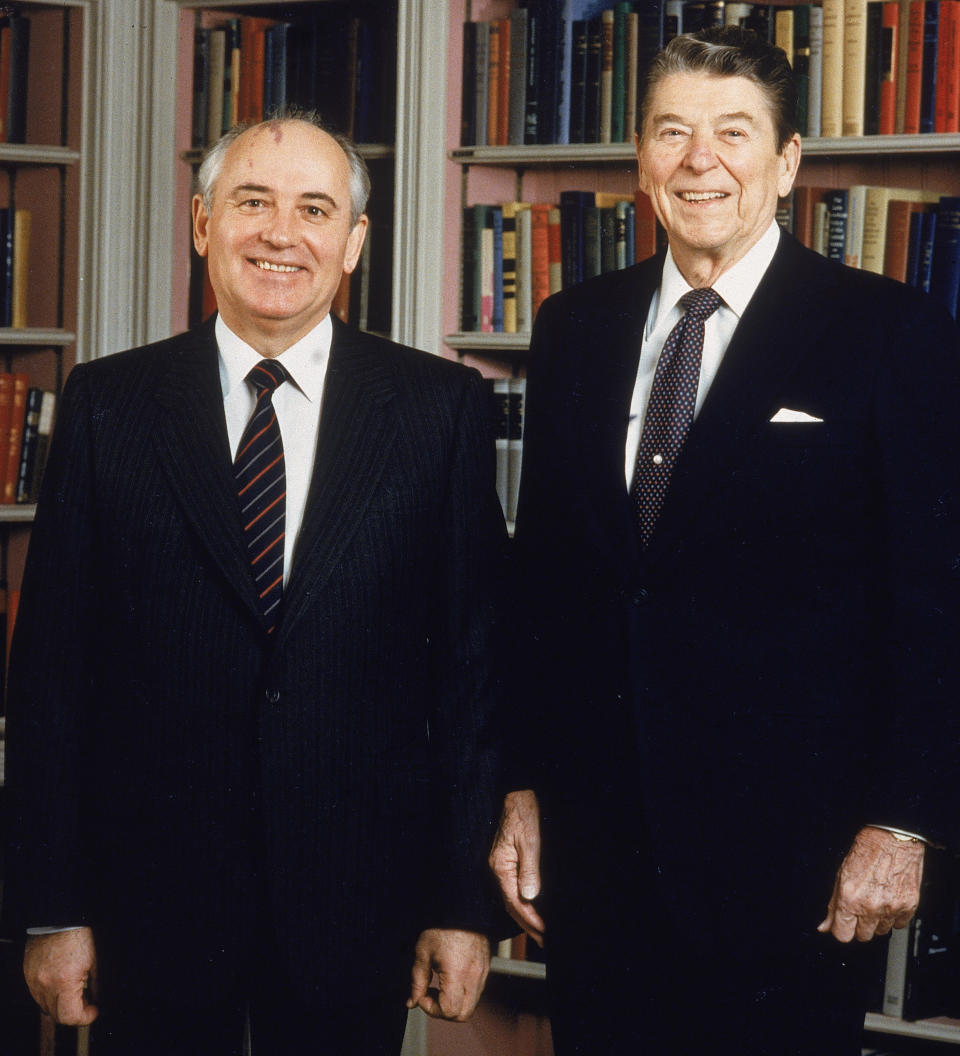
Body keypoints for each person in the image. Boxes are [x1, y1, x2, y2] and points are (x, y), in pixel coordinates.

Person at [489, 26, 960, 1056]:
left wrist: (904, 822)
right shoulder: (575, 328)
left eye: (734, 132)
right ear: (641, 161)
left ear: (787, 163)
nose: (701, 160)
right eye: (673, 132)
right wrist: (520, 786)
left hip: (791, 861)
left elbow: (936, 602)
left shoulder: (891, 333)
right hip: (598, 847)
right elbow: (545, 586)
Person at [3, 113, 506, 1054]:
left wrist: (460, 904)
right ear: (202, 224)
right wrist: (50, 910)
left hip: (359, 915)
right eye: (252, 203)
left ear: (354, 242)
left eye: (315, 209)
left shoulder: (441, 412)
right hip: (146, 914)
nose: (282, 234)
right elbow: (52, 678)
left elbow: (472, 681)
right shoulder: (111, 406)